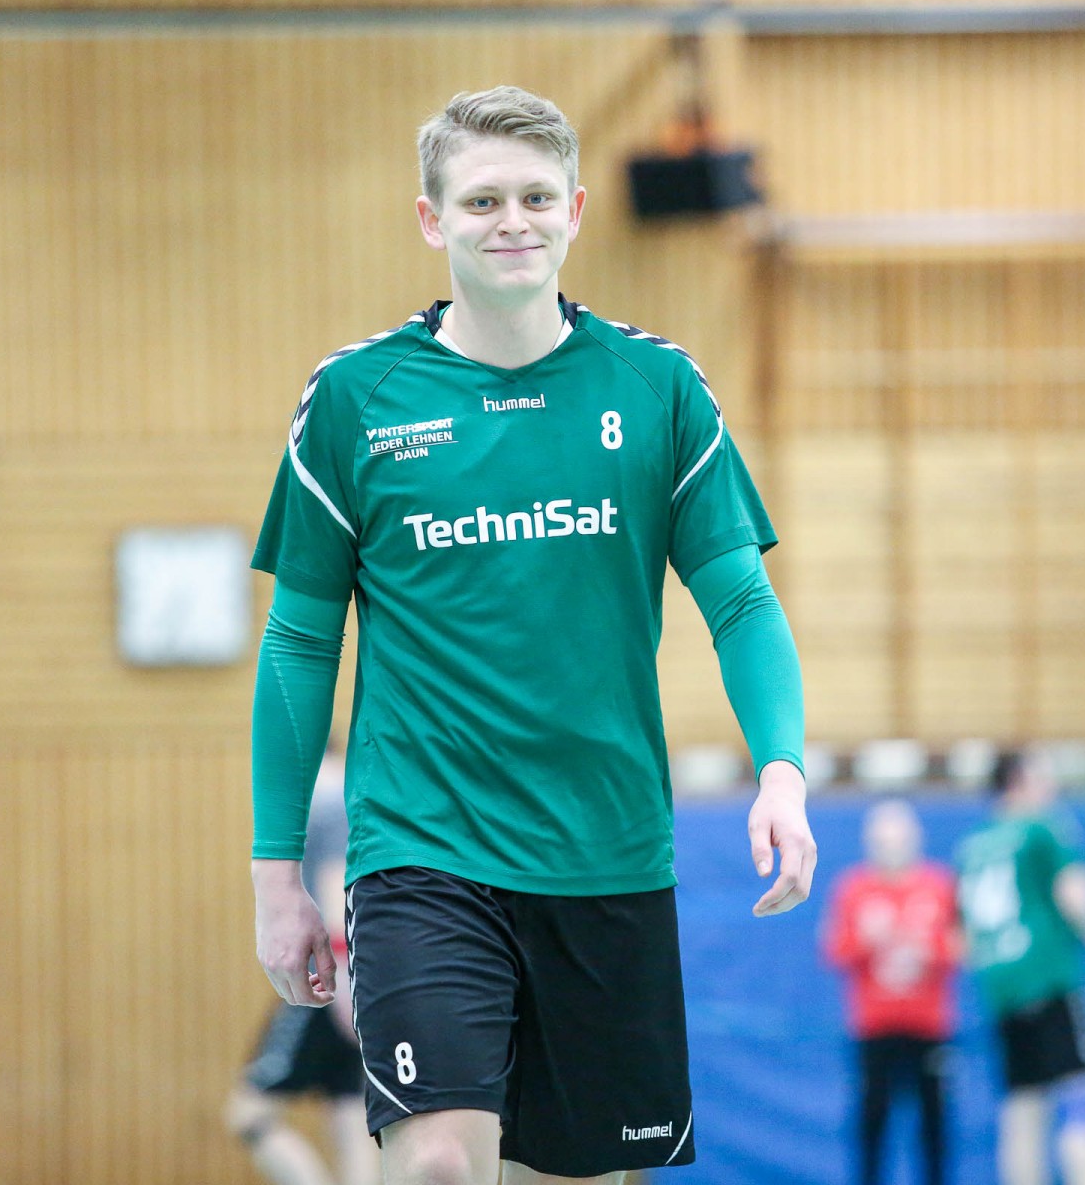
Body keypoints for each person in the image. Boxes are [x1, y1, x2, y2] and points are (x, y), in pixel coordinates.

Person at [248, 84, 816, 1185]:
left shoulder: (656, 388)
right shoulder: (356, 400)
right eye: (482, 200)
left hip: (607, 856)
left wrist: (782, 772)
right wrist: (278, 874)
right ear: (432, 220)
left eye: (536, 197)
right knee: (441, 1163)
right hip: (423, 853)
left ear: (576, 210)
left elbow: (743, 604)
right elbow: (299, 644)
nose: (512, 220)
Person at [956, 750, 1085, 1185]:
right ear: (1019, 781)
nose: (1052, 786)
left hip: (1002, 989)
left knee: (1023, 1108)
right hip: (1051, 979)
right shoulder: (1043, 827)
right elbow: (1076, 894)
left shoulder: (972, 848)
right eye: (1043, 776)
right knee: (1084, 1098)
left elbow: (963, 941)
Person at [229, 752, 379, 1185]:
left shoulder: (325, 798)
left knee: (249, 1115)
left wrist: (342, 982)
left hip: (324, 983)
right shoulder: (355, 795)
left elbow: (336, 890)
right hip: (358, 980)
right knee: (349, 1110)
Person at [823, 800, 959, 1185]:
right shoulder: (854, 888)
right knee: (872, 1123)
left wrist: (924, 947)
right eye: (884, 841)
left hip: (929, 1026)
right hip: (874, 1027)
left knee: (934, 1125)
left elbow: (962, 946)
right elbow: (834, 949)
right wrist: (871, 941)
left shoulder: (939, 884)